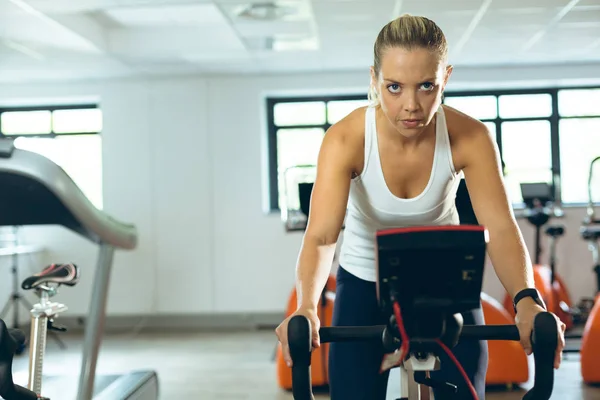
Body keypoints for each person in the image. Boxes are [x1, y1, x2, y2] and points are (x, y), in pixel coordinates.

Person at [275, 14, 566, 400]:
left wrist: (528, 299)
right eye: (393, 87)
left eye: (426, 86)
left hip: (445, 285)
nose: (410, 106)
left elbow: (500, 227)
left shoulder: (470, 137)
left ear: (446, 77)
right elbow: (322, 235)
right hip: (364, 282)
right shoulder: (346, 139)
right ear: (373, 79)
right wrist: (307, 307)